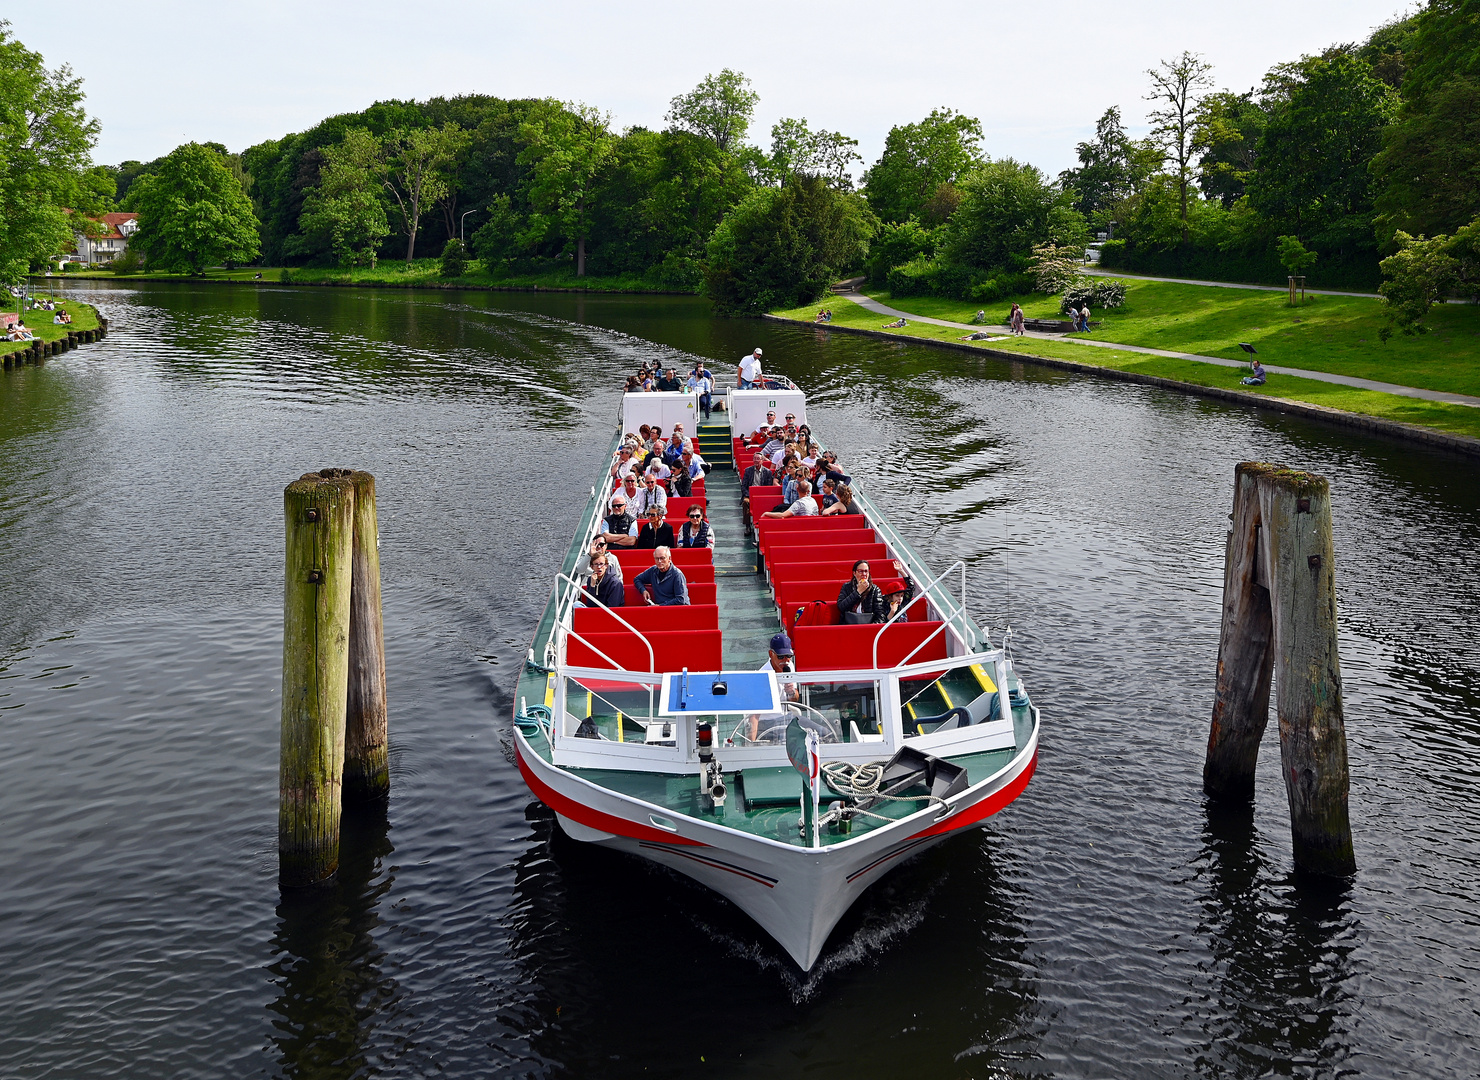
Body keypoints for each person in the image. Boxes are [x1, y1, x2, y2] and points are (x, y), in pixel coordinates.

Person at [744, 633, 801, 741]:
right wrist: (751, 745)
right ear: (771, 654)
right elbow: (754, 716)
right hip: (766, 725)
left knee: (823, 733)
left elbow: (795, 699)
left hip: (787, 719)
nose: (785, 660)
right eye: (780, 656)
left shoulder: (789, 666)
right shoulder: (762, 677)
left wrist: (791, 693)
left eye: (788, 656)